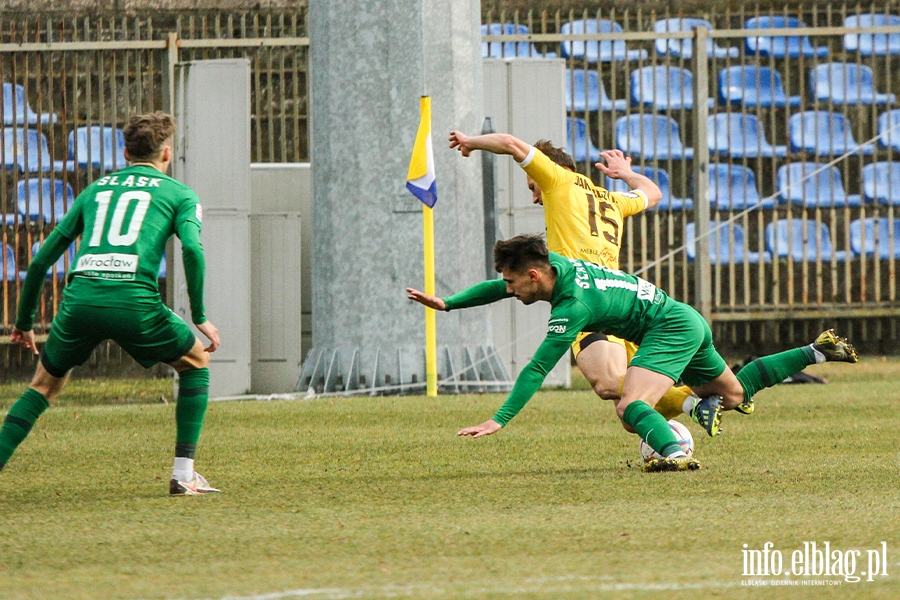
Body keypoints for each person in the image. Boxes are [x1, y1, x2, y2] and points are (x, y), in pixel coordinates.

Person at [407, 234, 858, 472]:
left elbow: (538, 366)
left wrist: (498, 419)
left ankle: (675, 452)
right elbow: (495, 288)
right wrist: (449, 303)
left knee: (629, 406)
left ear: (533, 276)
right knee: (735, 395)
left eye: (511, 282)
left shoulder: (572, 305)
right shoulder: (558, 264)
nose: (506, 290)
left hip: (667, 329)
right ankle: (815, 350)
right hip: (683, 318)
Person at [1, 111, 221, 495]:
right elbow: (193, 250)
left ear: (124, 152)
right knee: (196, 362)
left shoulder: (96, 190)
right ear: (166, 153)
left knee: (42, 386)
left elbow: (39, 261)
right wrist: (200, 316)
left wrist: (24, 322)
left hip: (80, 300)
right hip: (135, 302)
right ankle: (184, 474)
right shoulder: (179, 194)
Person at [448, 130, 703, 431]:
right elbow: (654, 193)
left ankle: (693, 402)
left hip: (587, 300)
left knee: (608, 384)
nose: (535, 197)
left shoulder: (557, 180)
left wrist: (470, 142)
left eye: (534, 186)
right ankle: (681, 421)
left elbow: (510, 143)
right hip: (623, 299)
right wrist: (627, 173)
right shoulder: (610, 199)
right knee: (630, 414)